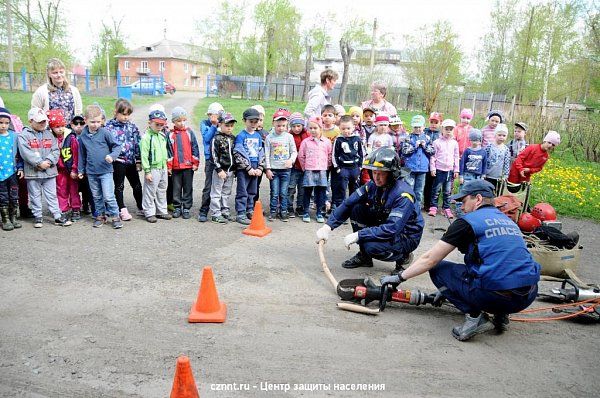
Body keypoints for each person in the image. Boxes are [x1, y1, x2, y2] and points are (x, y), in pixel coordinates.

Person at [380, 180, 540, 341]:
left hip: (494, 297)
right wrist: (448, 290)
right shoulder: (509, 221)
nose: (461, 207)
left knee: (438, 269)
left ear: (478, 199)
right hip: (527, 296)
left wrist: (399, 277)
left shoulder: (467, 222)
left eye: (464, 201)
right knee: (496, 267)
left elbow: (430, 259)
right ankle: (501, 316)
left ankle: (475, 317)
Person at [316, 147, 423, 272]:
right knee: (357, 209)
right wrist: (328, 226)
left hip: (406, 235)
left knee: (371, 247)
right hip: (385, 222)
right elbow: (348, 203)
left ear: (392, 174)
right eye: (374, 172)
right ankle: (365, 257)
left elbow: (392, 228)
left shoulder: (403, 195)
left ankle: (404, 257)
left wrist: (359, 235)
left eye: (381, 173)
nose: (376, 177)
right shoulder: (373, 185)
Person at [18, 107, 71, 228]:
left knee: (52, 194)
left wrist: (48, 161)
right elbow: (26, 152)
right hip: (33, 173)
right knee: (35, 195)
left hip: (49, 171)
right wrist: (38, 163)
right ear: (31, 121)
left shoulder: (49, 134)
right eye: (39, 121)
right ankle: (38, 216)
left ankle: (57, 216)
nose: (43, 124)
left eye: (44, 121)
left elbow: (55, 150)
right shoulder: (24, 135)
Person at [77, 105, 122, 229]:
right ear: (85, 120)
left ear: (102, 120)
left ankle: (115, 215)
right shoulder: (83, 136)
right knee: (96, 196)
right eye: (92, 122)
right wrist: (81, 170)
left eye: (98, 121)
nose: (96, 124)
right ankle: (100, 215)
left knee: (108, 195)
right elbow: (81, 154)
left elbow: (117, 146)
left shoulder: (105, 133)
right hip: (91, 172)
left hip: (106, 170)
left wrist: (112, 156)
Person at [104, 99, 143, 221]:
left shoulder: (132, 127)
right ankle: (122, 209)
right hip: (118, 162)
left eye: (128, 114)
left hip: (131, 161)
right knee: (119, 186)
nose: (126, 117)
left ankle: (141, 206)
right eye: (123, 114)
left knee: (137, 185)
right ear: (116, 112)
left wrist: (138, 160)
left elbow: (137, 143)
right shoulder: (108, 127)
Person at [233, 108, 265, 225]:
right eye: (250, 121)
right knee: (243, 191)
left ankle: (250, 210)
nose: (253, 124)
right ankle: (241, 213)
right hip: (244, 168)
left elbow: (261, 152)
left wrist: (260, 168)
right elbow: (238, 153)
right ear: (244, 121)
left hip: (256, 166)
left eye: (255, 121)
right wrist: (248, 168)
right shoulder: (241, 136)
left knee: (253, 191)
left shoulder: (258, 136)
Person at [47, 109, 80, 221]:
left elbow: (76, 154)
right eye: (57, 126)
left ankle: (76, 208)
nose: (60, 128)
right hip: (59, 170)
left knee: (73, 190)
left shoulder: (70, 138)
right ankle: (64, 209)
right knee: (61, 190)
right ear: (51, 127)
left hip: (70, 169)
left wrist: (75, 169)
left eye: (62, 125)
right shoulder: (50, 138)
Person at [140, 109, 172, 224]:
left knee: (162, 189)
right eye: (157, 124)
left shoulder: (162, 135)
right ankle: (149, 212)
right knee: (150, 190)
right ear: (150, 123)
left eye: (161, 125)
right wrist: (147, 171)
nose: (159, 127)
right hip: (153, 168)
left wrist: (167, 166)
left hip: (162, 167)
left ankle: (161, 210)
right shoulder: (146, 137)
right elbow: (144, 155)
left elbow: (165, 151)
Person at [264, 109, 297, 221]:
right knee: (274, 192)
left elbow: (294, 151)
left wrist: (291, 160)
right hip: (274, 169)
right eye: (278, 125)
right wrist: (267, 169)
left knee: (283, 192)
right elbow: (266, 154)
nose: (281, 128)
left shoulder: (289, 137)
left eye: (283, 125)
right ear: (273, 123)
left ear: (286, 125)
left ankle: (284, 211)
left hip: (285, 170)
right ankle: (273, 211)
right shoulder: (269, 137)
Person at [167, 107, 200, 219]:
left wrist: (195, 162)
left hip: (188, 166)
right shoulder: (170, 135)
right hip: (176, 167)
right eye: (179, 121)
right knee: (176, 188)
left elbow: (195, 148)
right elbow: (169, 151)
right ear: (173, 122)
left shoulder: (189, 132)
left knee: (187, 187)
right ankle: (176, 207)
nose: (182, 123)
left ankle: (186, 208)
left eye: (183, 120)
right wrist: (169, 167)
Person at [298, 117, 331, 223]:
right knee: (307, 191)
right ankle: (306, 211)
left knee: (321, 192)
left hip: (322, 170)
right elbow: (301, 156)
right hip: (309, 170)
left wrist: (327, 166)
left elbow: (329, 155)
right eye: (310, 128)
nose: (312, 130)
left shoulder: (326, 142)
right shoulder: (306, 142)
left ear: (320, 128)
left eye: (315, 128)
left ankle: (319, 212)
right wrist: (304, 167)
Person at [31, 58, 83, 123]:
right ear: (49, 74)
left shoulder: (74, 91)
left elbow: (78, 112)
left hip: (71, 131)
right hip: (48, 131)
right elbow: (35, 113)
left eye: (61, 72)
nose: (59, 75)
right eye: (55, 73)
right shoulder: (41, 92)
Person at [402, 115, 435, 211]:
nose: (417, 129)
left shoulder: (427, 138)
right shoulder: (409, 138)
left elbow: (432, 152)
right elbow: (405, 152)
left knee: (419, 190)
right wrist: (415, 146)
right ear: (412, 127)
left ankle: (417, 207)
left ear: (424, 127)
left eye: (419, 127)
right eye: (415, 127)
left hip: (422, 168)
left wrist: (424, 146)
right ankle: (407, 206)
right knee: (409, 188)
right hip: (410, 168)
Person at [209, 113, 237, 224]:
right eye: (227, 125)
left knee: (226, 192)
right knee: (216, 192)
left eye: (231, 125)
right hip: (220, 171)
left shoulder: (233, 138)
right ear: (220, 124)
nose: (229, 128)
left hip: (231, 171)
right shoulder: (216, 139)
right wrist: (219, 169)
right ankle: (215, 213)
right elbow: (213, 155)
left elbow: (235, 154)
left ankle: (224, 210)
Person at [428, 119, 459, 218]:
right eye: (447, 129)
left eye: (451, 129)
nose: (449, 131)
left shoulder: (454, 143)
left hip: (449, 171)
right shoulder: (437, 142)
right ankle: (433, 207)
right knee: (436, 190)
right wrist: (432, 168)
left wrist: (456, 169)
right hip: (439, 170)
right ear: (442, 129)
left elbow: (456, 156)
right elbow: (433, 156)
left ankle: (446, 208)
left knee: (447, 191)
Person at [198, 102, 224, 222]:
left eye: (218, 117)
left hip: (221, 160)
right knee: (209, 186)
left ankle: (219, 210)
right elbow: (207, 138)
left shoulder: (221, 124)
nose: (215, 119)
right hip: (210, 160)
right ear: (209, 115)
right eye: (213, 116)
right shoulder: (204, 124)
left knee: (220, 187)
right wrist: (214, 126)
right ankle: (204, 210)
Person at [331, 115, 364, 209]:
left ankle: (353, 209)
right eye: (343, 128)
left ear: (353, 127)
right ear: (340, 128)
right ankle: (340, 209)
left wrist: (360, 167)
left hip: (354, 168)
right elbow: (334, 155)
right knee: (341, 189)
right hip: (343, 168)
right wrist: (337, 168)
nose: (346, 131)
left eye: (348, 128)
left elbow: (362, 153)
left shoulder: (357, 139)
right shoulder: (338, 140)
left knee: (354, 189)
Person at [0, 107, 23, 231]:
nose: (3, 126)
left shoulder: (14, 136)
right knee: (3, 196)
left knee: (14, 195)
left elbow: (19, 154)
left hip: (12, 172)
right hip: (0, 173)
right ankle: (5, 219)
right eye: (1, 123)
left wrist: (20, 168)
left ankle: (14, 217)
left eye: (6, 123)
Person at [287, 112, 309, 218]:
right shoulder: (288, 135)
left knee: (302, 188)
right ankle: (289, 206)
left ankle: (300, 206)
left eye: (298, 126)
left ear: (302, 125)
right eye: (294, 126)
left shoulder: (307, 135)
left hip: (304, 167)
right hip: (293, 167)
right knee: (291, 187)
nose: (296, 128)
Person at [71, 114, 94, 216]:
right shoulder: (69, 136)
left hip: (85, 166)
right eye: (76, 123)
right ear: (71, 124)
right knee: (75, 188)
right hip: (74, 166)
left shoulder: (88, 135)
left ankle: (86, 204)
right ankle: (76, 206)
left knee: (86, 187)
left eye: (82, 123)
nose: (79, 125)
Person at [485, 123, 511, 194]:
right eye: (499, 135)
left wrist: (505, 175)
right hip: (487, 175)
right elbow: (484, 160)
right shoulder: (489, 147)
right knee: (487, 191)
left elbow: (506, 163)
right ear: (495, 135)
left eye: (504, 136)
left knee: (496, 192)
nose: (501, 137)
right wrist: (483, 173)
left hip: (498, 177)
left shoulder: (506, 149)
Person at [423, 112, 442, 206]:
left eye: (436, 122)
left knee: (435, 184)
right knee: (426, 184)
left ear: (440, 123)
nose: (433, 124)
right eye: (432, 122)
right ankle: (426, 203)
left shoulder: (441, 135)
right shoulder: (424, 132)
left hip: (437, 163)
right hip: (426, 162)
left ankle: (433, 204)